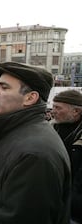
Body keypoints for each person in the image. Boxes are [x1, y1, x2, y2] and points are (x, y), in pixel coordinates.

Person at [0, 62, 71, 224]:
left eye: (4, 87)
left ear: (30, 98)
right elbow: (4, 168)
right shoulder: (15, 132)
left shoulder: (35, 155)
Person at [51, 89, 82, 223]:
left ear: (76, 111)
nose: (53, 111)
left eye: (58, 108)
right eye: (53, 107)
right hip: (55, 197)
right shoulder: (51, 128)